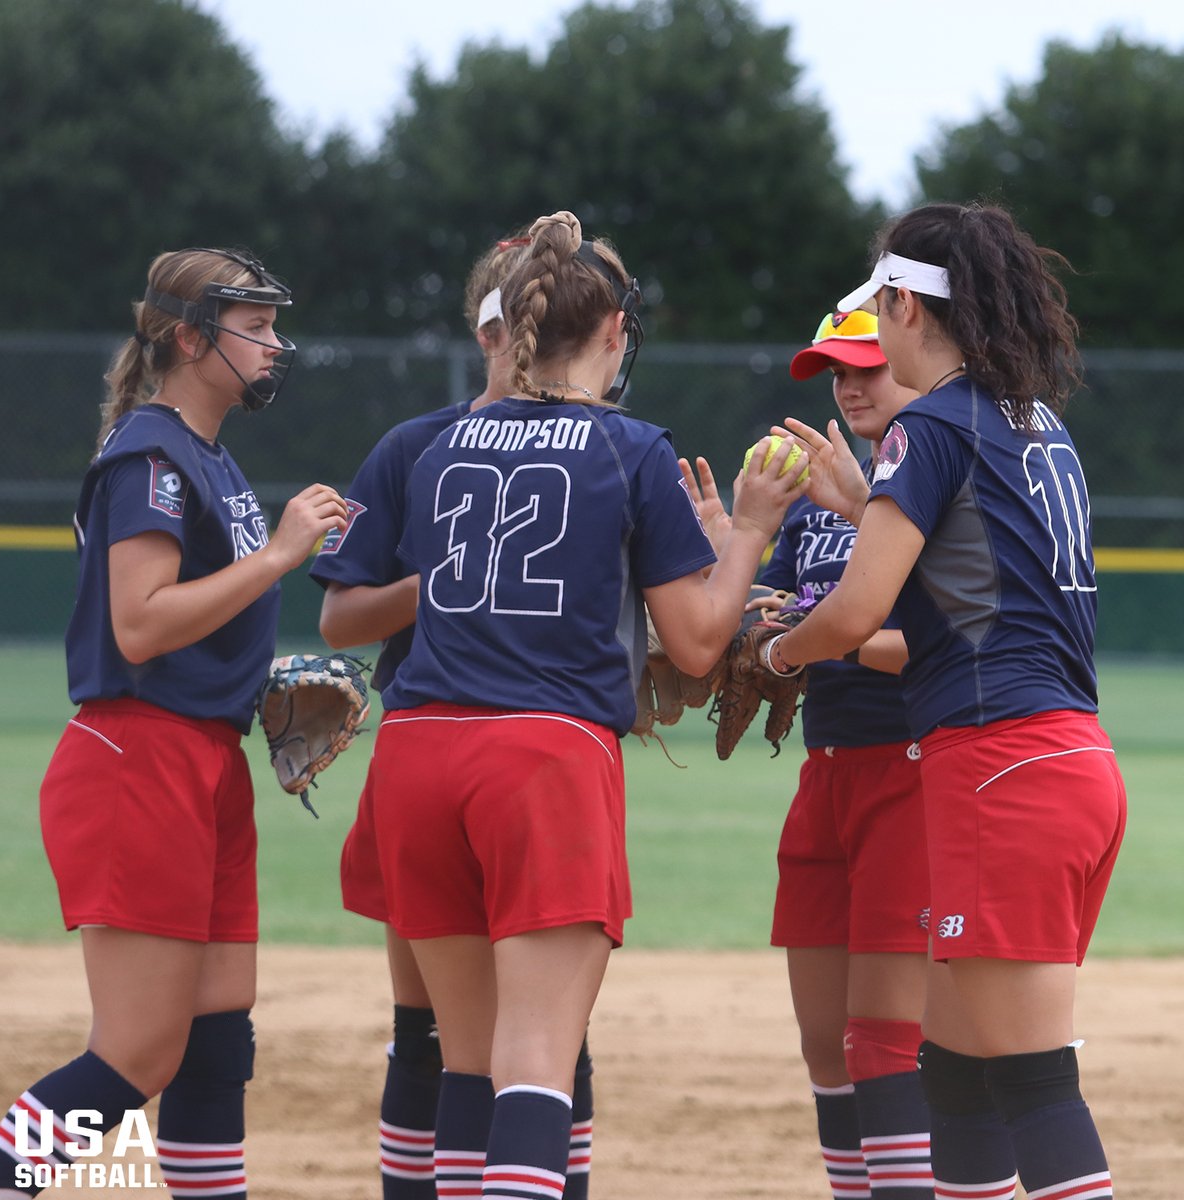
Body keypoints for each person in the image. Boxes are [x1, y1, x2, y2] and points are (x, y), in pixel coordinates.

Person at [347, 209, 795, 1199]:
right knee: (539, 1067)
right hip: (540, 759)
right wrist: (751, 534)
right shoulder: (632, 449)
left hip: (417, 751)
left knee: (468, 1066)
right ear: (611, 335)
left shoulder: (437, 444)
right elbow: (693, 643)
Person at [761, 202, 1127, 1200]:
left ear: (911, 309)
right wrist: (859, 506)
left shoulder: (926, 424)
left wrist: (781, 651)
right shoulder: (1032, 419)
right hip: (1067, 764)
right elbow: (968, 604)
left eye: (882, 301)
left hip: (999, 769)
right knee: (959, 1080)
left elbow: (856, 615)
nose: (871, 324)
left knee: (1037, 1090)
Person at [0, 248, 348, 1200]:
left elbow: (191, 624)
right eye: (253, 326)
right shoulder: (151, 453)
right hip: (135, 763)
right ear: (191, 339)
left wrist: (247, 682)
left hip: (200, 759)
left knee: (217, 1035)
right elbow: (138, 623)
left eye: (273, 325)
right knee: (138, 1053)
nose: (274, 344)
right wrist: (277, 559)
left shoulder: (208, 456)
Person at [312, 229, 599, 1200]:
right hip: (428, 751)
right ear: (486, 329)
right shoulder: (413, 447)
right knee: (428, 1031)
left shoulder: (595, 443)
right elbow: (341, 613)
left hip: (534, 755)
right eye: (494, 323)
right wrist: (451, 584)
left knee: (554, 1038)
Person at [757, 309, 933, 1199]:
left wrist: (826, 638)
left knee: (885, 1041)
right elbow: (778, 622)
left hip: (914, 777)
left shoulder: (947, 479)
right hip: (826, 775)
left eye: (869, 367)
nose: (852, 387)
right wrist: (733, 557)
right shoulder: (813, 509)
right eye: (837, 373)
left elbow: (954, 637)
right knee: (826, 1043)